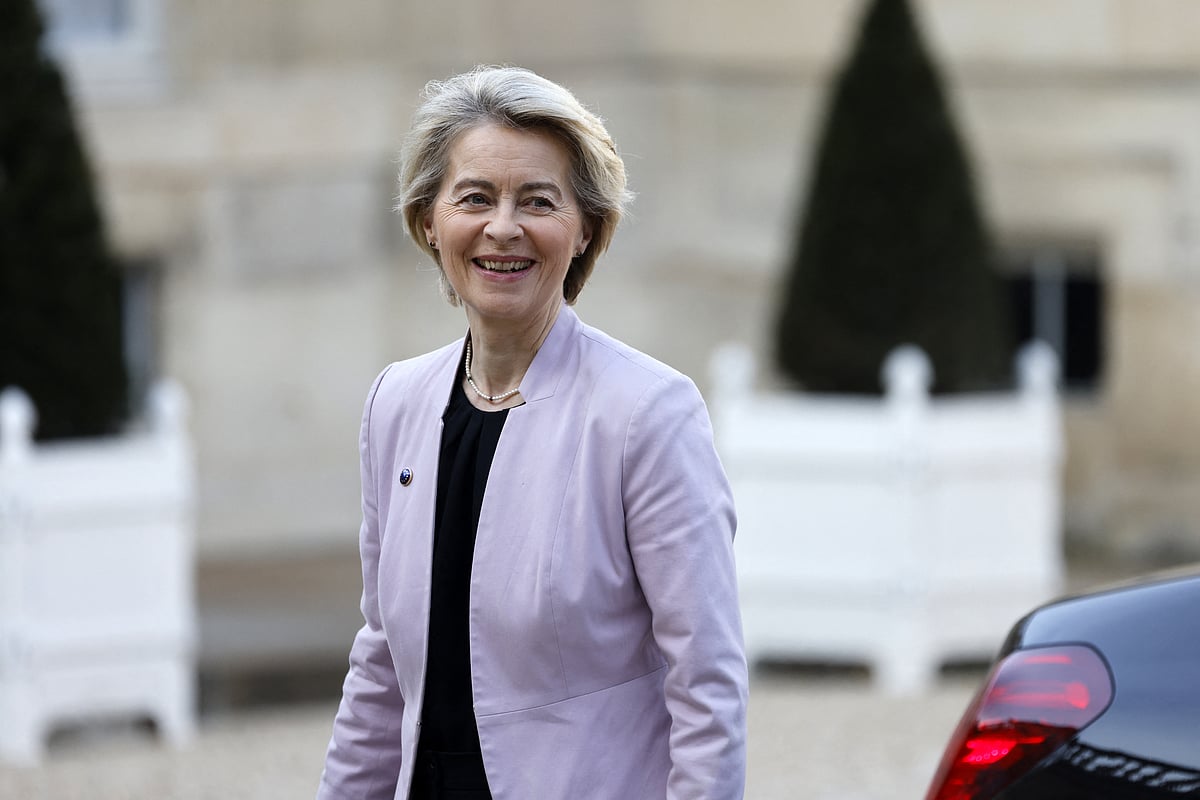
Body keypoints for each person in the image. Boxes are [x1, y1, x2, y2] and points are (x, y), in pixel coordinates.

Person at [317, 65, 747, 800]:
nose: (503, 226)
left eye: (538, 201)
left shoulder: (647, 414)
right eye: (475, 197)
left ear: (584, 230)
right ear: (429, 220)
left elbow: (707, 686)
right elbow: (382, 662)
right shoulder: (396, 403)